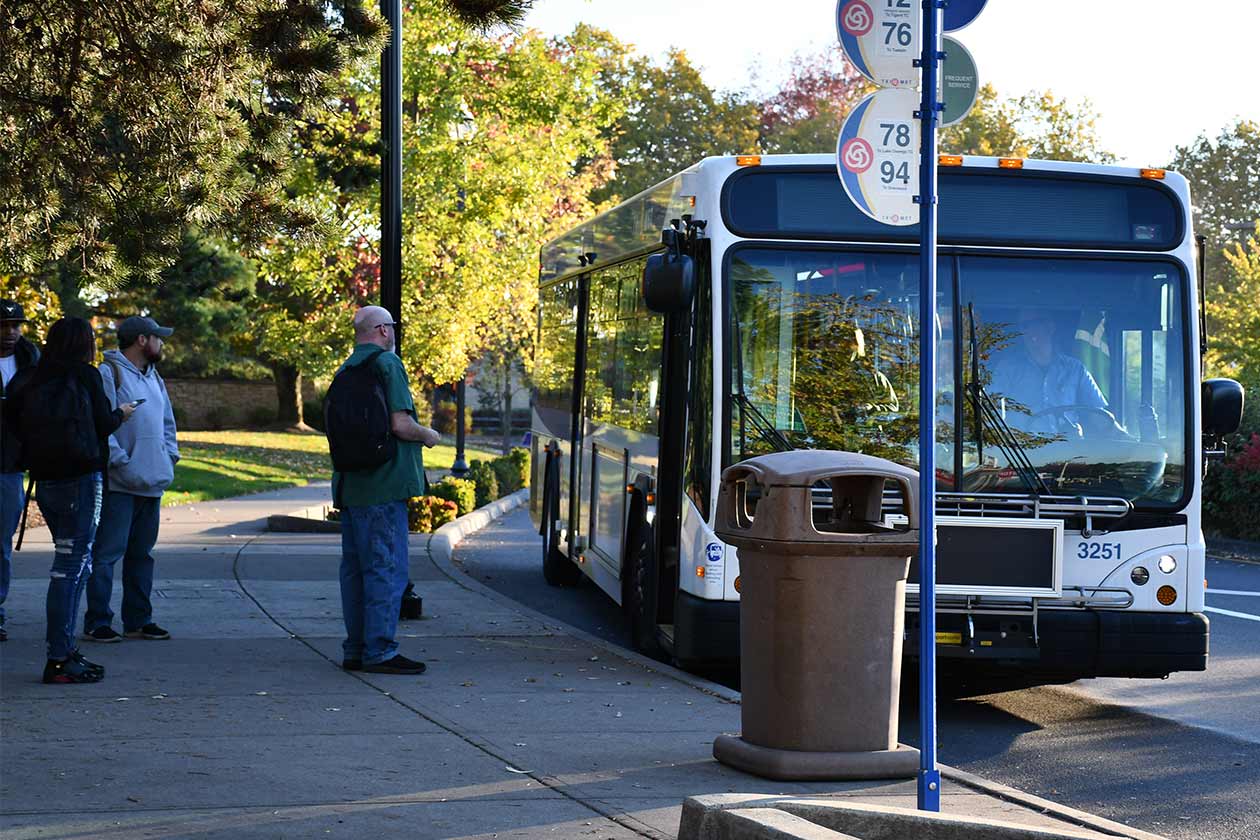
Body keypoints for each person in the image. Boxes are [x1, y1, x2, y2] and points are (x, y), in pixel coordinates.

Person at [5, 317, 135, 683]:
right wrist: (121, 414)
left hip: (46, 481)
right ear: (85, 344)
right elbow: (102, 424)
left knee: (67, 563)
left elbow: (13, 423)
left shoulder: (29, 377)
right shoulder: (86, 375)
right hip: (82, 478)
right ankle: (59, 657)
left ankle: (63, 651)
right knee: (71, 567)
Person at [333, 306, 439, 675]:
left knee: (356, 572)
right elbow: (401, 424)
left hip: (351, 486)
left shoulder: (345, 369)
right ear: (382, 330)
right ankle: (380, 651)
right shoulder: (387, 364)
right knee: (386, 569)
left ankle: (356, 648)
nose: (394, 332)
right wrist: (429, 435)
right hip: (384, 484)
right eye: (392, 326)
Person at [83, 316, 179, 643]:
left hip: (152, 481)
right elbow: (102, 422)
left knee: (142, 554)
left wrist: (170, 456)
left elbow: (168, 424)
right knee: (108, 553)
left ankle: (139, 619)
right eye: (158, 338)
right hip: (120, 483)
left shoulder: (156, 379)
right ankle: (98, 621)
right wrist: (119, 461)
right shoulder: (110, 373)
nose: (162, 344)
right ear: (142, 340)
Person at [989, 308, 1108, 437]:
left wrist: (1126, 439)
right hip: (1022, 452)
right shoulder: (1007, 368)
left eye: (1034, 324)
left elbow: (1098, 414)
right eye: (1024, 326)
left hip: (1070, 451)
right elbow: (991, 411)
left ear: (1050, 327)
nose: (1028, 331)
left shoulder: (1075, 368)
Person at [1, 299, 41, 642]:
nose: (10, 332)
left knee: (1, 541)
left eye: (15, 325)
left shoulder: (30, 360)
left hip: (10, 464)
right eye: (3, 325)